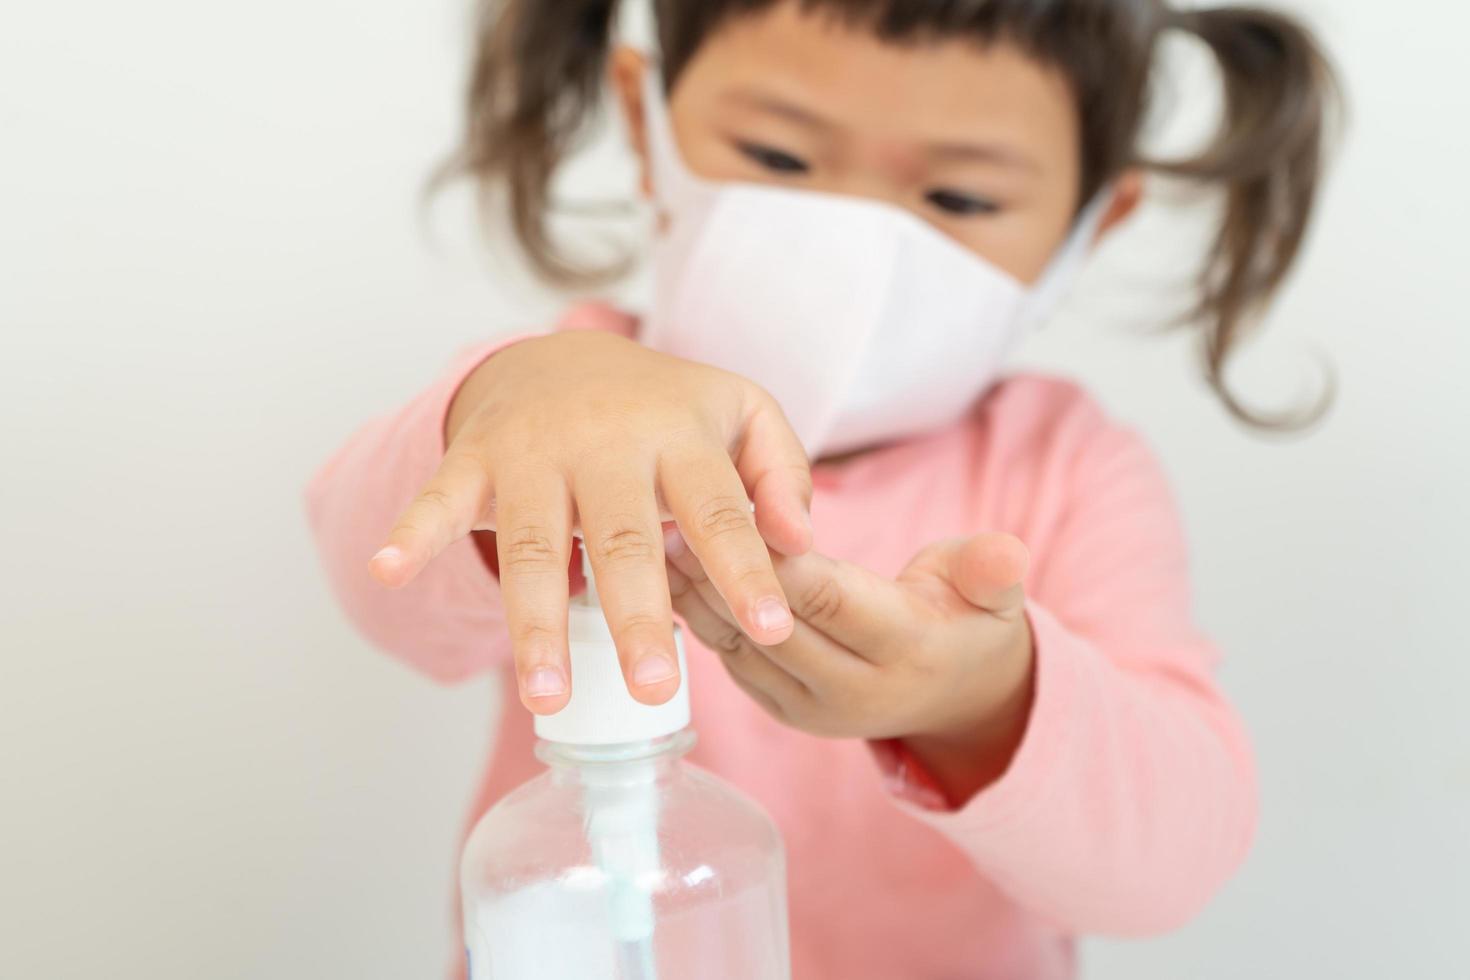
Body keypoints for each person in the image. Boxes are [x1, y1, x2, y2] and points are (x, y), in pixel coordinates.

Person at [307, 1, 1336, 976]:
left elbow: (1169, 868)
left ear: (1089, 222)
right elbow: (380, 586)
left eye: (960, 198)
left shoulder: (1068, 470)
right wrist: (501, 408)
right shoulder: (563, 404)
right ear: (644, 118)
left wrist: (983, 699)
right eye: (778, 157)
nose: (854, 243)